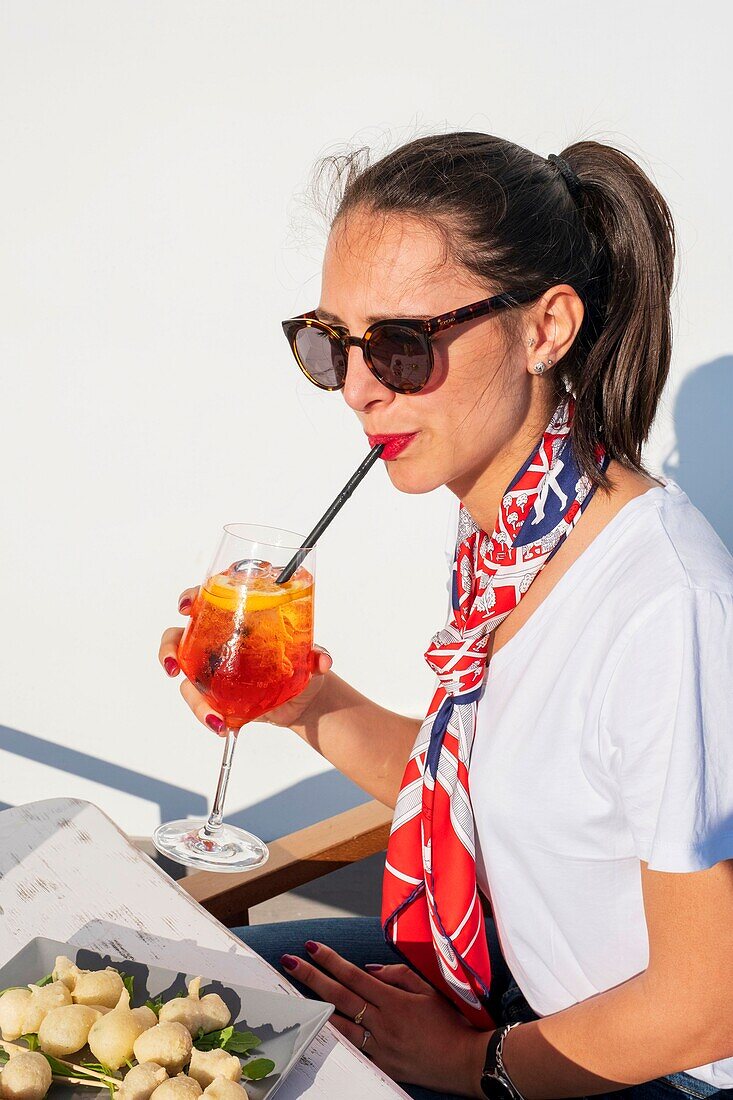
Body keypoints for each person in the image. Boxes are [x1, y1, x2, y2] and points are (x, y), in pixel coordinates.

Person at [158, 132, 733, 1099]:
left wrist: (471, 1066)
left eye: (400, 345)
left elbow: (707, 999)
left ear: (546, 328)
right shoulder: (511, 539)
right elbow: (493, 801)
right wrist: (302, 698)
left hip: (639, 1068)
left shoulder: (663, 608)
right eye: (329, 344)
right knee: (160, 988)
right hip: (509, 984)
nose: (356, 388)